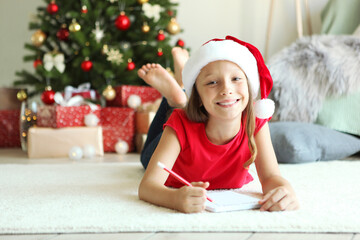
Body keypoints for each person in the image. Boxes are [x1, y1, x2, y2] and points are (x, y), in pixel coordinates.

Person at [137, 36, 299, 213]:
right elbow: (147, 186)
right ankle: (175, 99)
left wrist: (285, 190)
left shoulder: (256, 123)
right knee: (146, 156)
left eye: (236, 79)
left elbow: (271, 177)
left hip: (191, 119)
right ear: (198, 97)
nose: (226, 90)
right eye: (212, 82)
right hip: (171, 148)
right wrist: (175, 198)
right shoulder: (180, 122)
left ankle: (181, 93)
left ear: (249, 87)